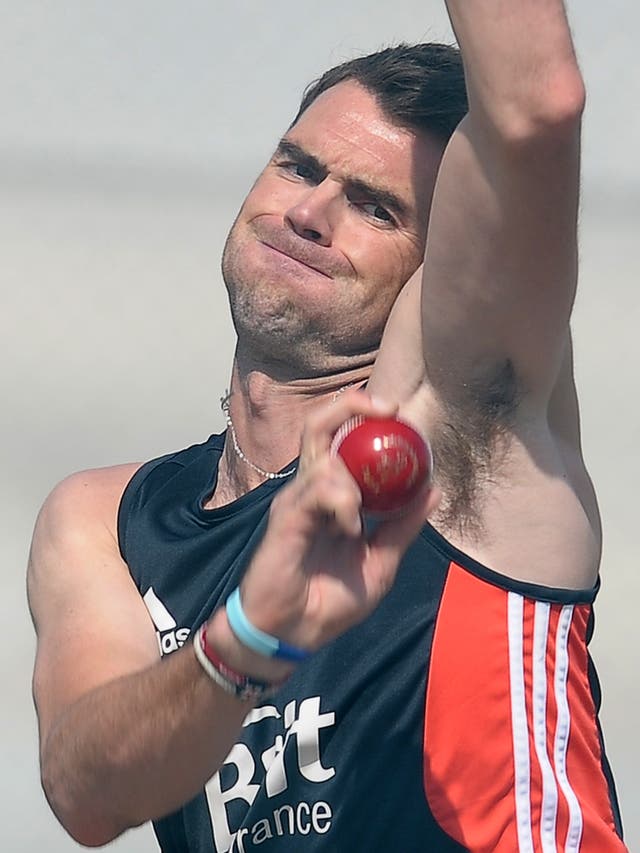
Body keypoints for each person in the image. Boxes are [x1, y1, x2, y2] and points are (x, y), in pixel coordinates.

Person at [27, 2, 628, 851]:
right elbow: (87, 795)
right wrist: (247, 639)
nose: (309, 211)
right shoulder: (108, 521)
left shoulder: (458, 429)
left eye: (377, 209)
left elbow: (535, 106)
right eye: (296, 166)